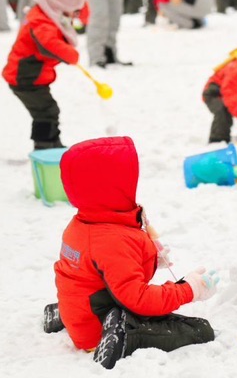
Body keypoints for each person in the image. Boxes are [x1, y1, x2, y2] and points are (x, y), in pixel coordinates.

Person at [52, 136, 217, 369]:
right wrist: (189, 290)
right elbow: (138, 299)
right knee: (201, 329)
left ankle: (68, 315)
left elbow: (102, 269)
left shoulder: (84, 223)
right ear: (111, 186)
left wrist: (149, 257)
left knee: (85, 292)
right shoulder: (111, 239)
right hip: (97, 328)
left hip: (81, 310)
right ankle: (122, 337)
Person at [2, 0, 85, 150]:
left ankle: (52, 143)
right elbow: (49, 44)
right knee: (46, 111)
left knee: (47, 110)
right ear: (61, 3)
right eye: (74, 10)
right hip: (25, 78)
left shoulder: (45, 15)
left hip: (33, 77)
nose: (74, 15)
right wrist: (72, 55)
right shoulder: (42, 22)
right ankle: (45, 146)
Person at [203, 47, 237, 143]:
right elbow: (230, 94)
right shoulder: (236, 70)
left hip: (236, 93)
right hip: (215, 93)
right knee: (223, 111)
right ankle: (218, 141)